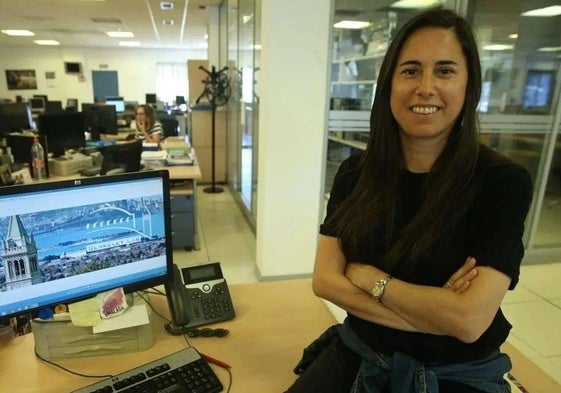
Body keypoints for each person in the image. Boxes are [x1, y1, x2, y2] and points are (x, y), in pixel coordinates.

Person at [286, 8, 533, 393]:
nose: (426, 87)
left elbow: (469, 322)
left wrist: (372, 279)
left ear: (470, 85)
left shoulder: (502, 183)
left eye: (446, 70)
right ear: (389, 84)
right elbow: (325, 282)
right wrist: (437, 313)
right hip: (359, 351)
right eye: (411, 70)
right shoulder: (355, 173)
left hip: (455, 373)